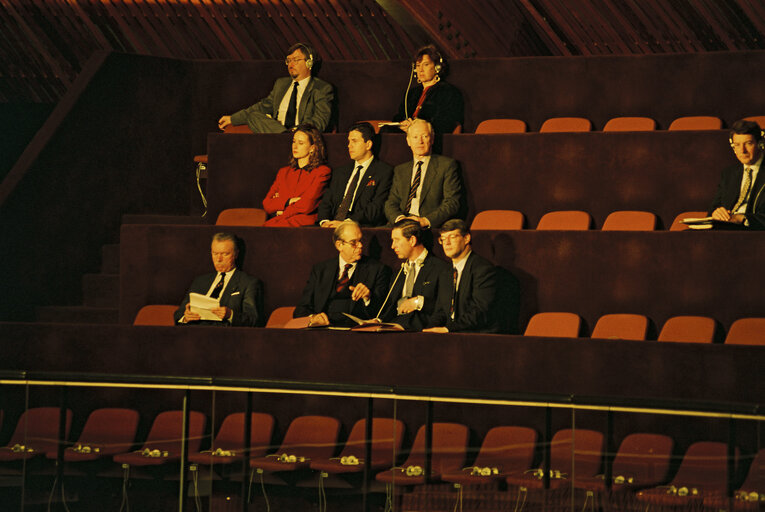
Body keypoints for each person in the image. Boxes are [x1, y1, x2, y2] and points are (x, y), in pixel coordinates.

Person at [218, 43, 334, 133]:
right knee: (254, 115)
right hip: (276, 134)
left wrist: (298, 131)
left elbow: (320, 121)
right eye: (288, 61)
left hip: (301, 137)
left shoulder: (322, 88)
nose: (290, 64)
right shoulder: (281, 84)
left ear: (309, 63)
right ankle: (284, 136)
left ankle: (288, 137)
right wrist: (232, 119)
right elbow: (262, 107)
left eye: (296, 60)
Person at [294, 221, 391, 327]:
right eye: (354, 242)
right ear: (339, 245)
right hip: (323, 330)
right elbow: (301, 309)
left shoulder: (377, 269)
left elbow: (382, 312)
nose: (360, 245)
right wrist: (313, 318)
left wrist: (368, 297)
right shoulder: (320, 270)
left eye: (361, 240)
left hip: (355, 332)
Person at [384, 119, 464, 229]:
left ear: (432, 139)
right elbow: (391, 202)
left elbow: (452, 203)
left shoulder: (446, 165)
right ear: (408, 141)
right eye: (415, 137)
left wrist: (425, 221)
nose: (420, 141)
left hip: (427, 226)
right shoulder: (400, 170)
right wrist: (400, 219)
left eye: (425, 136)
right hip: (401, 225)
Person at [424, 219, 499, 333]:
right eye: (443, 239)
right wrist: (426, 331)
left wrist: (448, 329)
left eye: (452, 237)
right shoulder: (446, 271)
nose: (447, 243)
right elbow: (441, 311)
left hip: (477, 335)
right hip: (452, 333)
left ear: (466, 238)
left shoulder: (483, 269)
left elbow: (479, 311)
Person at [174, 233, 263, 326]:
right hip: (194, 331)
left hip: (224, 334)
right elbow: (178, 314)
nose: (219, 259)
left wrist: (230, 315)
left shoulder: (248, 282)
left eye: (225, 254)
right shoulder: (200, 281)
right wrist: (185, 317)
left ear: (236, 254)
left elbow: (253, 320)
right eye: (215, 253)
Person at [317, 122, 393, 227]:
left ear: (368, 144)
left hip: (359, 226)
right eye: (349, 141)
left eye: (354, 141)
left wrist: (347, 223)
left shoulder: (383, 172)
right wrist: (324, 222)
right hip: (332, 224)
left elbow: (376, 207)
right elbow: (326, 201)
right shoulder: (340, 172)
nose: (349, 146)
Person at [380, 219, 450, 330]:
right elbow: (390, 307)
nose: (392, 246)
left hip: (421, 331)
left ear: (412, 240)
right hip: (395, 327)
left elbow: (445, 308)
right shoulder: (399, 271)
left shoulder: (441, 268)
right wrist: (378, 321)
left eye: (397, 240)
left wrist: (418, 302)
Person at [262, 123, 331, 227]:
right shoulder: (283, 172)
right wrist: (289, 201)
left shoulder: (322, 172)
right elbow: (267, 204)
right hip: (279, 222)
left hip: (303, 224)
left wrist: (281, 209)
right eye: (294, 141)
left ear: (312, 148)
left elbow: (307, 205)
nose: (295, 146)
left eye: (301, 143)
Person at [392, 45, 464, 135]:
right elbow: (399, 116)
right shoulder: (411, 93)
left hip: (430, 136)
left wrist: (418, 125)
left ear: (437, 67)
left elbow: (446, 122)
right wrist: (401, 124)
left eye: (426, 65)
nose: (420, 70)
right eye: (418, 66)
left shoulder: (448, 91)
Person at [709, 119, 765, 229]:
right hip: (725, 228)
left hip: (753, 231)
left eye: (748, 144)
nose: (742, 150)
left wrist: (743, 218)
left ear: (760, 144)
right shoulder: (728, 174)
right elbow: (713, 209)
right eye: (737, 145)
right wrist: (716, 213)